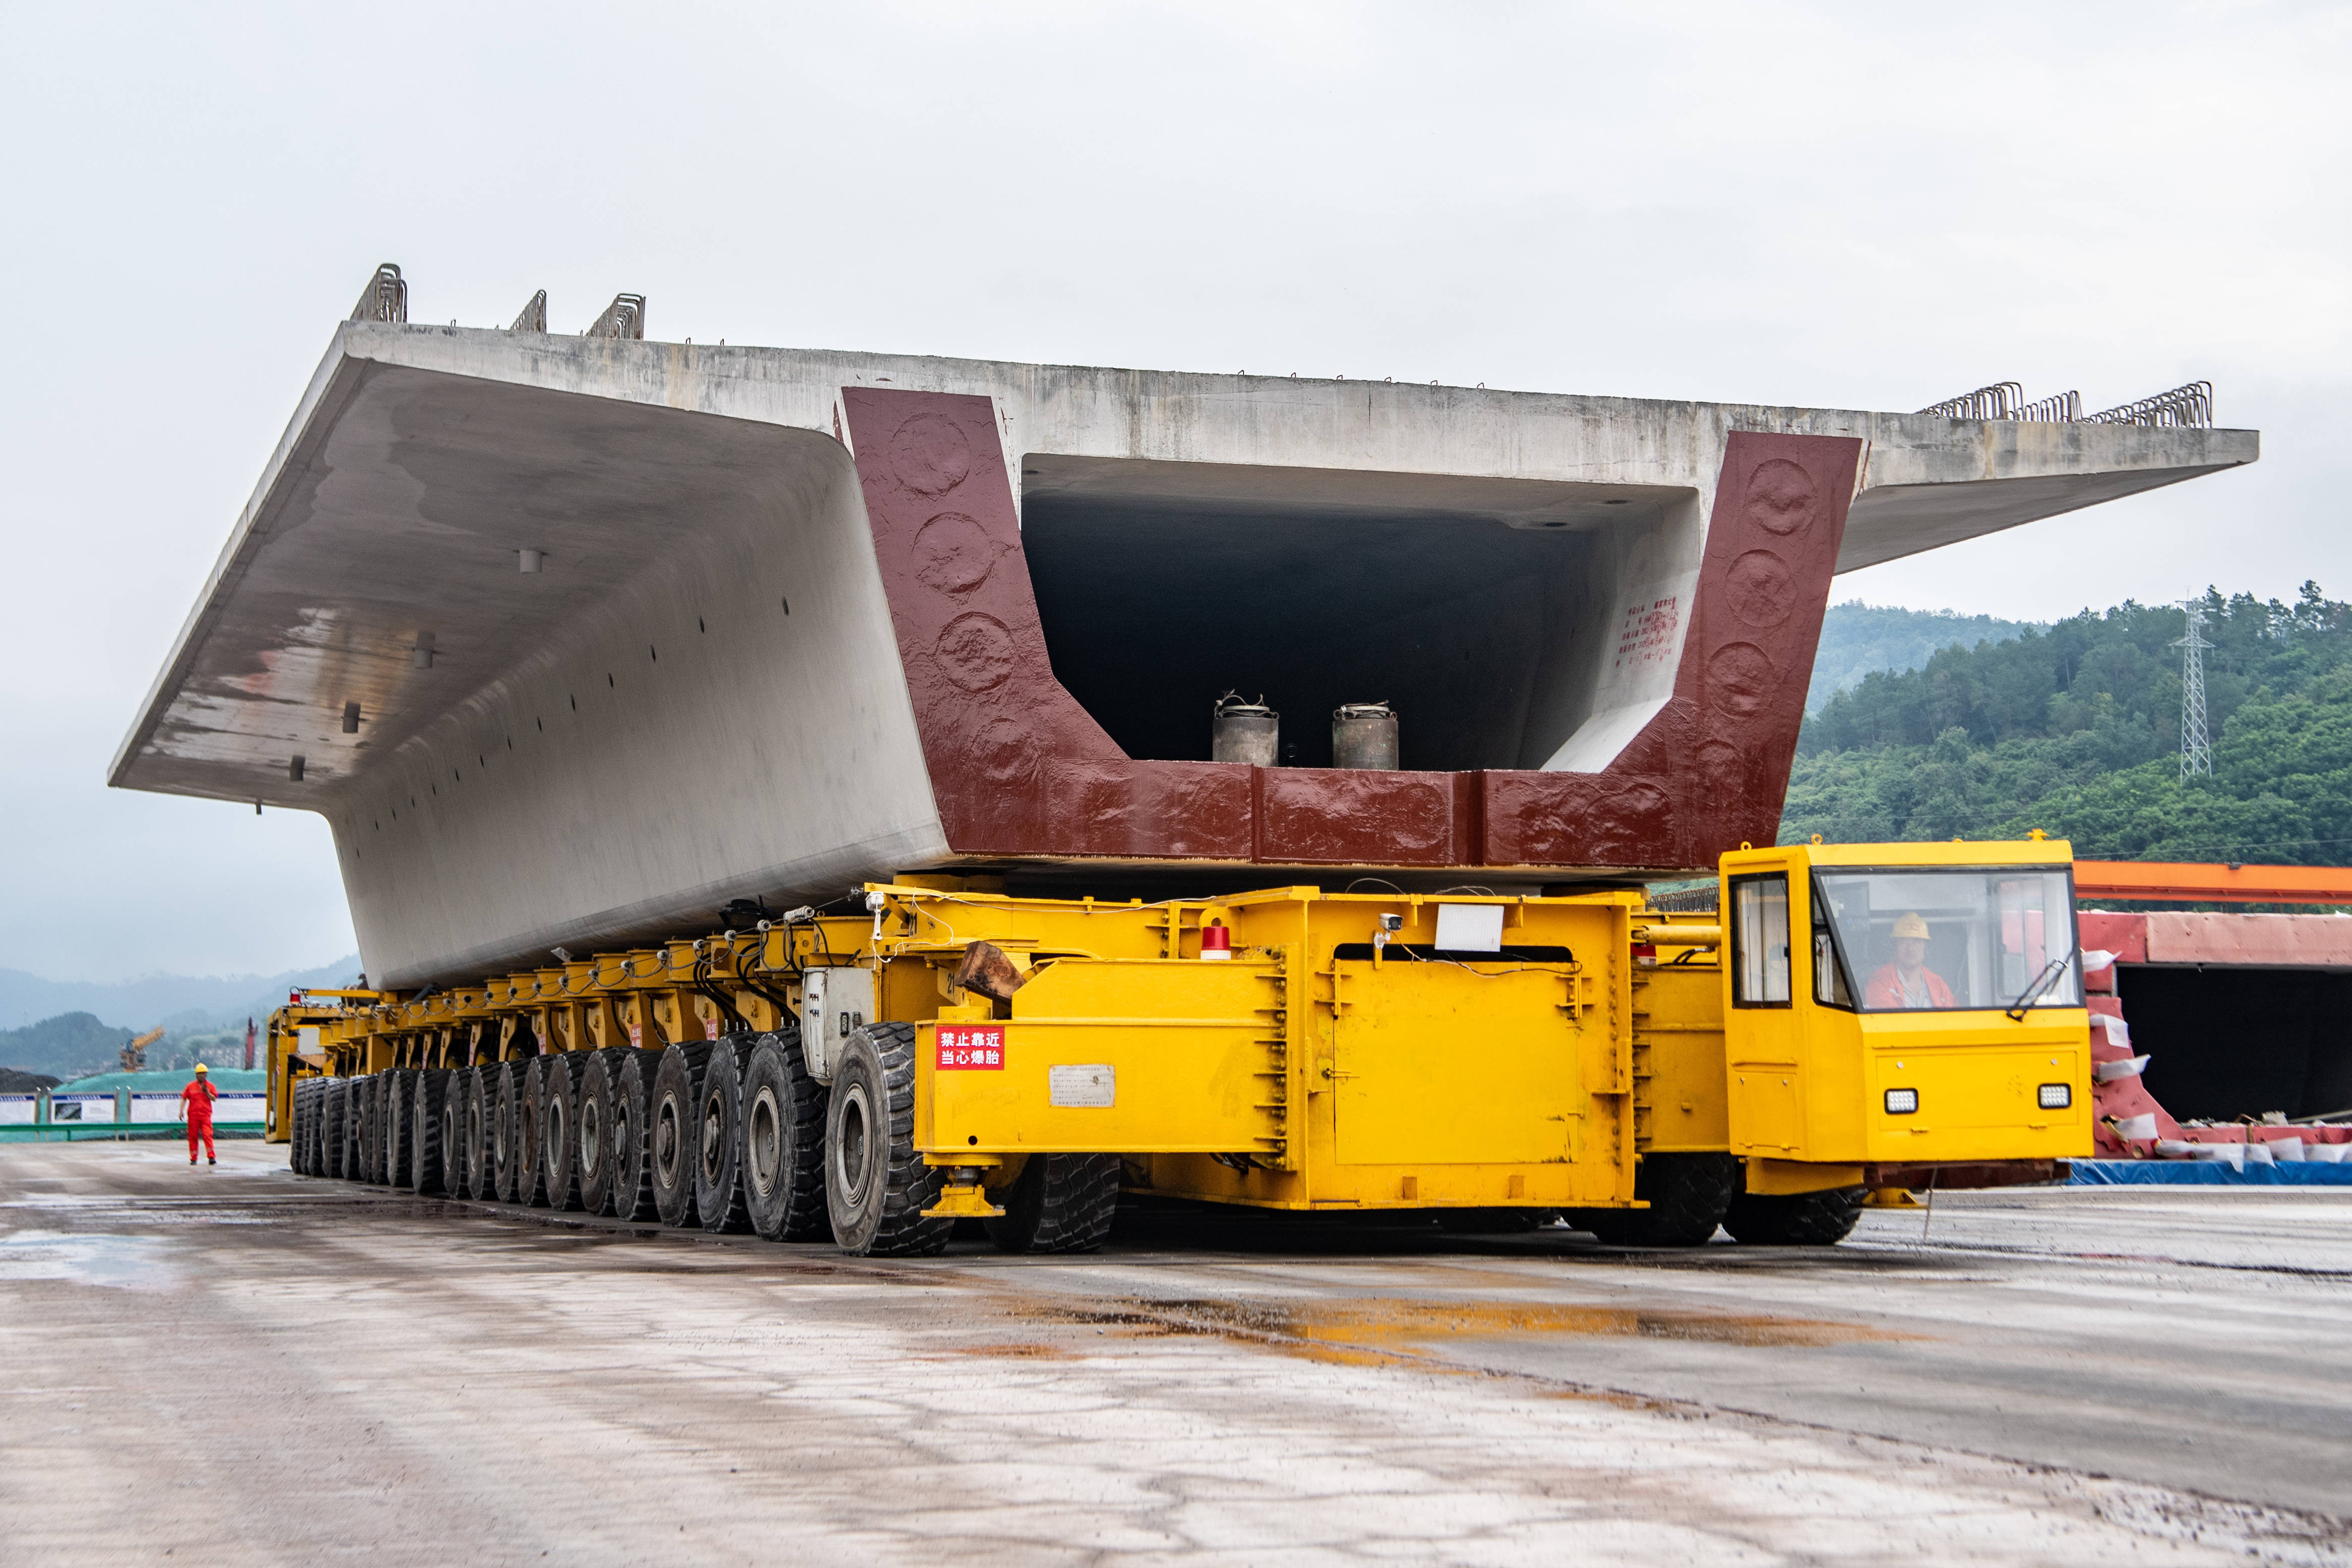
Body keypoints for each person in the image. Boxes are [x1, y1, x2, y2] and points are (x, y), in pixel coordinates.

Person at [1864, 912, 1955, 1009]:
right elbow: (1887, 1020)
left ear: (1926, 948)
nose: (1911, 949)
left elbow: (1955, 1017)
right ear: (1895, 947)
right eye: (1904, 942)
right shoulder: (1881, 980)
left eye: (1917, 942)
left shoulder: (1938, 983)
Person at [180, 1063, 218, 1166]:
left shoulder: (210, 1086)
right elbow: (184, 1098)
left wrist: (207, 1093)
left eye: (203, 1074)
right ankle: (193, 1158)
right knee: (193, 1137)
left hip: (205, 1116)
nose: (201, 1075)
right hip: (193, 1116)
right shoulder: (190, 1086)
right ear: (196, 1075)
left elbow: (214, 1099)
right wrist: (181, 1111)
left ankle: (211, 1157)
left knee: (207, 1135)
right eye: (199, 1074)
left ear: (206, 1075)